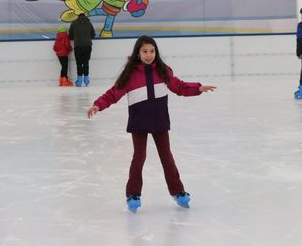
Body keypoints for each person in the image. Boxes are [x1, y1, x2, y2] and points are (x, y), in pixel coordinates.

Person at [87, 35, 216, 213]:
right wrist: (98, 104)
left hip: (159, 120)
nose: (149, 55)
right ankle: (133, 194)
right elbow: (113, 94)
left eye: (152, 51)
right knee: (139, 157)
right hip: (139, 121)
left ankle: (178, 191)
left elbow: (180, 87)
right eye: (145, 51)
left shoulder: (163, 71)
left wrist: (198, 88)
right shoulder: (130, 74)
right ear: (138, 53)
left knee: (167, 157)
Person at [69, 13, 95, 87]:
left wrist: (77, 38)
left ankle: (79, 80)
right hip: (87, 46)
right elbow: (93, 34)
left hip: (78, 46)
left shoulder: (74, 23)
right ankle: (86, 80)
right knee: (86, 62)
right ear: (85, 16)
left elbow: (70, 36)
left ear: (78, 16)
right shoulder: (89, 23)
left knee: (79, 63)